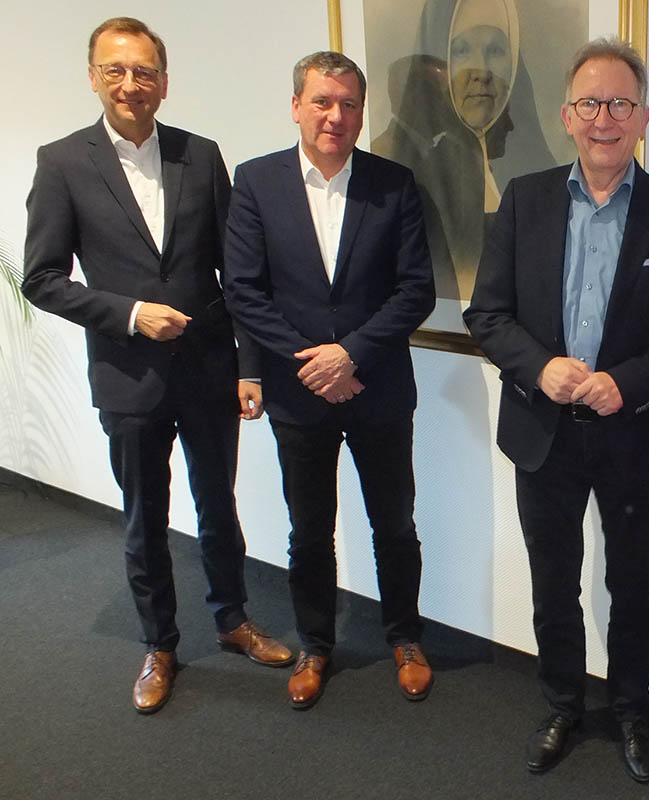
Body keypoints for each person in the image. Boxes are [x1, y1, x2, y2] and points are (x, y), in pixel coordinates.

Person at [21, 16, 293, 714]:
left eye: (143, 71)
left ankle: (232, 621)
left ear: (164, 83)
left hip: (207, 369)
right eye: (115, 69)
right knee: (146, 517)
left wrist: (249, 366)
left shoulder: (200, 156)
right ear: (92, 76)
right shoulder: (62, 163)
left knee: (218, 507)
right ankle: (160, 644)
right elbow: (43, 278)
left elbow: (239, 273)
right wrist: (130, 314)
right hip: (128, 375)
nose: (130, 83)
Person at [464, 37, 649, 783]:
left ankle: (633, 708)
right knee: (554, 583)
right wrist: (541, 367)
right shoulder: (526, 199)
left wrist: (627, 382)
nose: (605, 118)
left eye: (621, 104)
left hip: (632, 435)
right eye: (590, 104)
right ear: (567, 116)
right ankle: (564, 704)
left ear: (642, 118)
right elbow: (487, 314)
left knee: (632, 587)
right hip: (543, 435)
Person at [223, 51, 436, 709]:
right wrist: (315, 363)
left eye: (348, 104)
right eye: (322, 101)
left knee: (394, 522)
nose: (335, 115)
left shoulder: (394, 183)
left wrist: (349, 356)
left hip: (377, 389)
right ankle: (316, 645)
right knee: (309, 529)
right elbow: (245, 292)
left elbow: (415, 291)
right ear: (296, 106)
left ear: (361, 111)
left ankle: (404, 637)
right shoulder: (255, 182)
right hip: (298, 395)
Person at [372, 0, 557, 300]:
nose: (480, 72)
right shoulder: (405, 178)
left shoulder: (546, 176)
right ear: (440, 66)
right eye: (461, 50)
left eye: (495, 50)